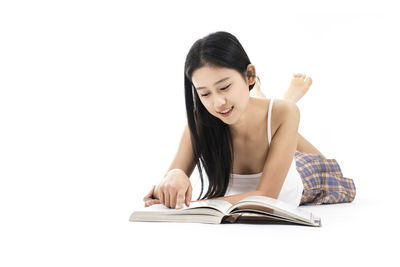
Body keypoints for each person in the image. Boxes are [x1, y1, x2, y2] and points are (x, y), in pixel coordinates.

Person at [143, 31, 356, 210]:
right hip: (268, 132)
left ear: (250, 75)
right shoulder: (200, 123)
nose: (217, 103)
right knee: (274, 117)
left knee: (327, 166)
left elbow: (265, 196)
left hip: (302, 177)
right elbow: (164, 192)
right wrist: (174, 176)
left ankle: (280, 105)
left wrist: (196, 205)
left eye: (225, 87)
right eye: (205, 94)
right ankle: (267, 108)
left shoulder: (288, 113)